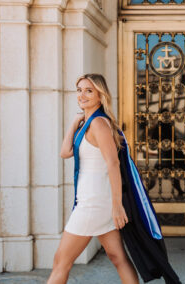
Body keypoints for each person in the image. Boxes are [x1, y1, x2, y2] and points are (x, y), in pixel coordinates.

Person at [48, 74, 139, 284]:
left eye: (89, 90)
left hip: (93, 204)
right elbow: (65, 151)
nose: (82, 95)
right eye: (79, 89)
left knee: (61, 262)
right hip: (98, 202)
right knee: (118, 258)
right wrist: (74, 122)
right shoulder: (88, 123)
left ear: (100, 95)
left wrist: (117, 206)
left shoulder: (98, 123)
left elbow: (113, 163)